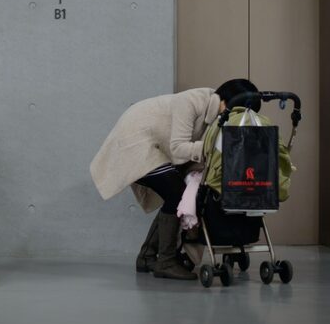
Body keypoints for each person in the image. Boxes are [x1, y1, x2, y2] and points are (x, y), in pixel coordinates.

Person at [89, 78, 259, 280]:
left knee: (179, 193)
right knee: (176, 192)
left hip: (157, 145)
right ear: (224, 103)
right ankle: (166, 261)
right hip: (135, 141)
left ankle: (147, 257)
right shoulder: (191, 102)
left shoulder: (216, 115)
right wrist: (213, 149)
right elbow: (179, 148)